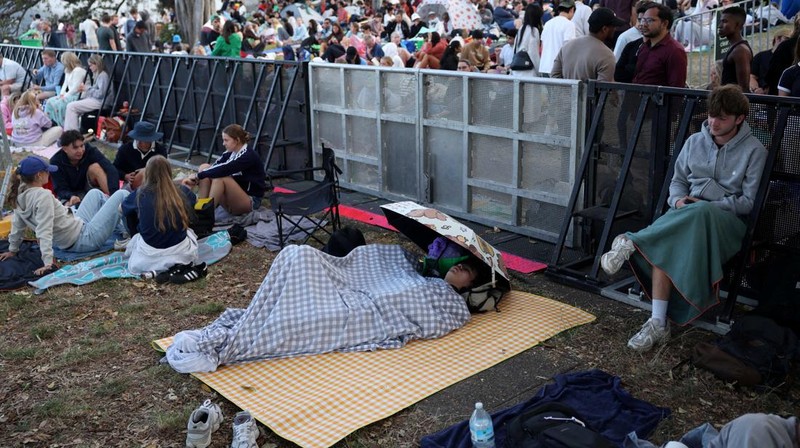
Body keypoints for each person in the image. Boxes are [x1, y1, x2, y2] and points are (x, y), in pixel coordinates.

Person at [600, 85, 767, 352]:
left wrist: (706, 205)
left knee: (697, 213)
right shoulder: (694, 142)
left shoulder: (755, 150)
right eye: (711, 115)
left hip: (727, 224)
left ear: (739, 118)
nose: (713, 122)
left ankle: (631, 242)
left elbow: (748, 202)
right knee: (670, 240)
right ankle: (657, 323)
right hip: (688, 215)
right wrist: (679, 202)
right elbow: (677, 183)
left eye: (722, 118)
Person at [165, 243, 479, 373]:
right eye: (460, 263)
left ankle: (235, 341)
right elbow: (366, 263)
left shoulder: (451, 303)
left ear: (468, 286)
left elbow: (428, 322)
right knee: (299, 254)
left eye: (468, 272)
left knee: (297, 322)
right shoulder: (411, 262)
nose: (461, 270)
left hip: (364, 314)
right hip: (349, 286)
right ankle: (248, 324)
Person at [0, 156, 129, 275]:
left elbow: (17, 226)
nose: (49, 173)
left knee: (95, 193)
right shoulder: (43, 196)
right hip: (84, 239)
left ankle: (122, 230)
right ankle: (130, 234)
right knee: (122, 194)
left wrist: (13, 249)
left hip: (75, 227)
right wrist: (48, 263)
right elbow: (44, 231)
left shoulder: (19, 194)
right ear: (39, 175)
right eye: (47, 171)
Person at [122, 156, 199, 276]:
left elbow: (122, 209)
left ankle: (131, 236)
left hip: (150, 252)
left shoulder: (140, 193)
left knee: (128, 211)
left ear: (147, 174)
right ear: (169, 172)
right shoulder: (182, 191)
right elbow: (194, 202)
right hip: (181, 251)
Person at [182, 124, 267, 215]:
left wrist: (197, 176)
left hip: (251, 201)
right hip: (235, 196)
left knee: (220, 178)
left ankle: (206, 214)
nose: (223, 143)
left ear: (237, 140)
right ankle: (199, 207)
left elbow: (224, 168)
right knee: (204, 167)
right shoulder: (230, 152)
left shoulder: (247, 155)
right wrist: (197, 178)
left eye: (226, 140)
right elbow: (215, 167)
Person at [551, 7, 624, 81]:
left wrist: (568, 91)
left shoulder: (567, 47)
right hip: (589, 93)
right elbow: (604, 89)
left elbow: (555, 77)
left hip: (567, 92)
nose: (615, 29)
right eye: (613, 26)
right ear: (604, 29)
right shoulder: (606, 55)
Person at [50, 130, 120, 205]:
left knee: (95, 167)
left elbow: (110, 168)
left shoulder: (89, 151)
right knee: (65, 205)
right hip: (69, 194)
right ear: (65, 149)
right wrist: (71, 196)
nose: (80, 150)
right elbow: (60, 189)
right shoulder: (56, 161)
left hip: (87, 187)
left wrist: (113, 193)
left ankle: (114, 201)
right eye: (75, 148)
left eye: (81, 146)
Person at [631, 2, 687, 88]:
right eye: (643, 20)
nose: (644, 24)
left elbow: (677, 88)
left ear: (664, 24)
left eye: (650, 20)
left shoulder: (674, 51)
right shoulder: (644, 46)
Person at [63, 54, 113, 132]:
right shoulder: (99, 74)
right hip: (97, 100)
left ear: (97, 64)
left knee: (71, 106)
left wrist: (87, 88)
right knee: (71, 106)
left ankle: (72, 132)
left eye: (91, 65)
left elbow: (101, 94)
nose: (90, 67)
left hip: (101, 102)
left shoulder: (103, 76)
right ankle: (70, 131)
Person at [113, 121, 168, 189]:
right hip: (131, 185)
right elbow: (115, 169)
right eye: (140, 140)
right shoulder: (125, 149)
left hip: (154, 185)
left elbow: (163, 171)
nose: (143, 144)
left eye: (146, 141)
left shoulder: (160, 150)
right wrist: (125, 176)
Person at [44, 52, 87, 128]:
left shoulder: (78, 70)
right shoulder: (68, 70)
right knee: (50, 101)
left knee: (60, 104)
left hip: (77, 95)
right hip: (69, 94)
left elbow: (75, 87)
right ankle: (50, 122)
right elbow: (65, 84)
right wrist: (61, 94)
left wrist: (65, 96)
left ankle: (62, 124)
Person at [718, 7, 752, 92]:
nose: (720, 26)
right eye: (720, 21)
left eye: (725, 21)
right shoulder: (735, 47)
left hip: (734, 102)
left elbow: (743, 88)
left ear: (738, 25)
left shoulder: (740, 50)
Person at [539, 0, 577, 77]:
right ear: (572, 10)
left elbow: (542, 46)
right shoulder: (569, 24)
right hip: (558, 69)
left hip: (544, 66)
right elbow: (569, 48)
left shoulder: (548, 23)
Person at [750, 28, 791, 94]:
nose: (790, 43)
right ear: (777, 38)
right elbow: (752, 76)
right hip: (763, 96)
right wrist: (756, 89)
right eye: (787, 39)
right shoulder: (760, 56)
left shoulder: (790, 58)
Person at [513, 3, 543, 77]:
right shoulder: (534, 31)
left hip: (517, 70)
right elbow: (533, 53)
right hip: (528, 71)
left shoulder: (521, 29)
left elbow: (515, 49)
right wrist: (539, 71)